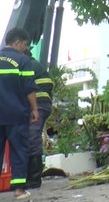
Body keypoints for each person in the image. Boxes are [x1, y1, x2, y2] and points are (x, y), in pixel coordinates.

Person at [0, 28, 39, 200]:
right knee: (19, 150)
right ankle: (18, 190)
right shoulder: (22, 61)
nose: (25, 48)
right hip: (17, 114)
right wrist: (35, 110)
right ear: (17, 43)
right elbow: (29, 88)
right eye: (24, 45)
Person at [24, 48, 52, 189]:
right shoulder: (33, 64)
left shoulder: (28, 65)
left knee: (32, 137)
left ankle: (34, 179)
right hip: (41, 104)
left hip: (38, 105)